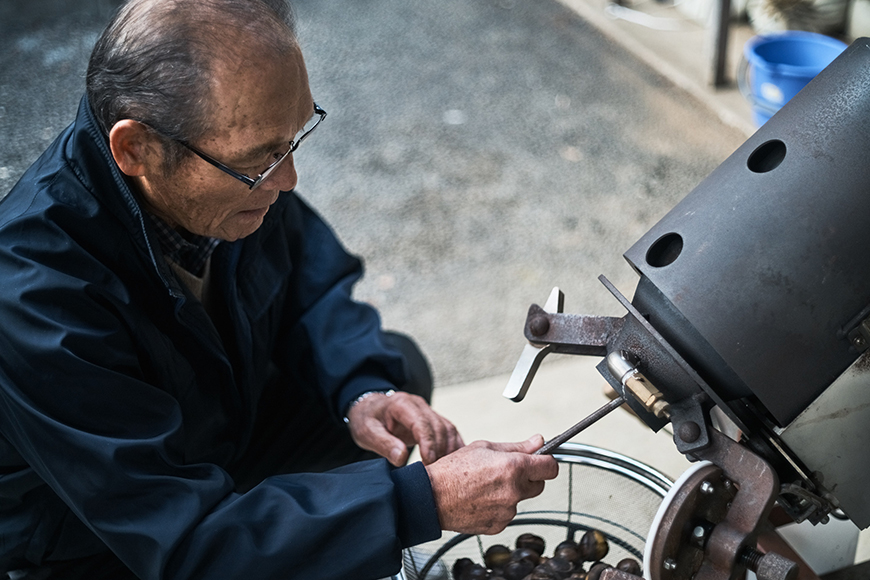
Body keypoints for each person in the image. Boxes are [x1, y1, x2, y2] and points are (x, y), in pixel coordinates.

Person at [0, 0, 559, 579]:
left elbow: (312, 290)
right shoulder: (32, 296)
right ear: (136, 149)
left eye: (291, 140)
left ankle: (288, 528)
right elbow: (179, 538)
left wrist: (362, 393)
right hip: (108, 540)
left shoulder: (231, 183)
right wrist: (418, 502)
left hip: (217, 436)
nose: (287, 179)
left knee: (396, 375)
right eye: (260, 158)